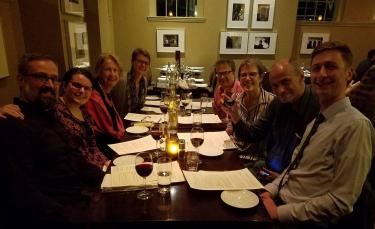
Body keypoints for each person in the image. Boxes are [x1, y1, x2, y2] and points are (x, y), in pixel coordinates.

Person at [260, 41, 374, 227]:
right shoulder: (318, 120)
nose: (322, 74)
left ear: (349, 74)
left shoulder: (356, 126)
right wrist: (270, 190)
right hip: (280, 200)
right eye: (316, 68)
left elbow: (341, 201)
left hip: (299, 218)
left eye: (330, 66)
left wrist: (279, 212)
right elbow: (294, 168)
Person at [0, 53, 104, 225]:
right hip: (60, 213)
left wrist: (109, 178)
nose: (48, 84)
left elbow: (75, 159)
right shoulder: (13, 124)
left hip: (84, 197)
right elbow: (24, 193)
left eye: (53, 79)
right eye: (40, 77)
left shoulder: (50, 114)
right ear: (20, 79)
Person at [230, 59, 320, 182]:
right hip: (268, 171)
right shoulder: (277, 103)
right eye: (275, 86)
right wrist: (234, 114)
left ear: (301, 77)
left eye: (286, 82)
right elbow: (254, 134)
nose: (281, 90)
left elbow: (315, 164)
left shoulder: (317, 106)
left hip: (292, 181)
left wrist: (283, 179)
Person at [56, 67, 110, 169]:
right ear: (64, 86)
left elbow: (93, 147)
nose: (82, 91)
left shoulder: (84, 111)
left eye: (87, 88)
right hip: (80, 174)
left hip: (99, 168)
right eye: (77, 85)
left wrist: (107, 163)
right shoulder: (56, 112)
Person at [223, 58, 274, 156]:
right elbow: (231, 125)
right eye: (243, 75)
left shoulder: (271, 102)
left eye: (252, 74)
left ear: (261, 77)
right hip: (234, 152)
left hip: (257, 158)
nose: (247, 78)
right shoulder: (235, 98)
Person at [86, 53, 125, 159]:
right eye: (108, 70)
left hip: (110, 145)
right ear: (98, 72)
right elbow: (108, 132)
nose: (112, 74)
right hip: (102, 152)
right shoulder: (93, 96)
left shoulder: (105, 92)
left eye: (115, 70)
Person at [111, 48, 151, 119]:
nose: (143, 65)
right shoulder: (122, 81)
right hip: (124, 123)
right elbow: (117, 108)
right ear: (132, 62)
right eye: (140, 61)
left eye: (146, 63)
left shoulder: (144, 80)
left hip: (137, 122)